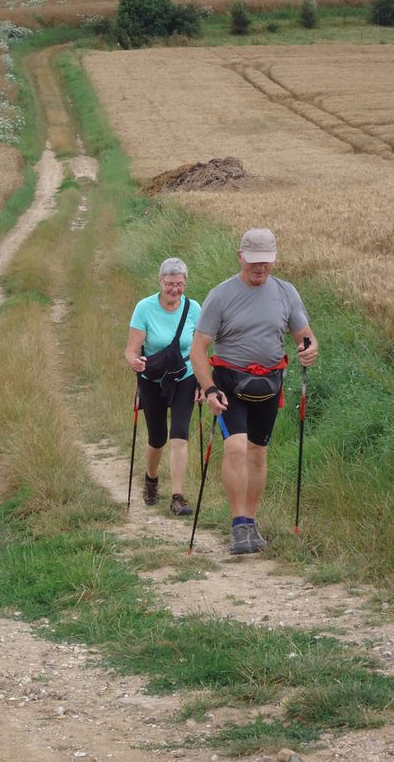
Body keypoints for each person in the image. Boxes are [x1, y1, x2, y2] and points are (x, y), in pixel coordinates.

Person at [190, 228, 318, 554]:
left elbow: (305, 335)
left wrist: (308, 349)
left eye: (266, 262)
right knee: (236, 448)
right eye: (253, 262)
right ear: (240, 257)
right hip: (228, 384)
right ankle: (238, 525)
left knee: (258, 453)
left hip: (269, 386)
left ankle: (251, 520)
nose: (260, 269)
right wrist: (209, 389)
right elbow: (198, 349)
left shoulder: (286, 292)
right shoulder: (220, 295)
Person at [125, 258, 203, 516]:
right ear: (160, 282)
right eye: (170, 284)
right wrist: (134, 362)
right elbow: (131, 350)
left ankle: (178, 497)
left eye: (179, 284)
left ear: (185, 283)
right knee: (157, 438)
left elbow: (200, 349)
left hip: (185, 376)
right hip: (152, 379)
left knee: (180, 435)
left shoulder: (194, 309)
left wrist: (204, 382)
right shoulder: (144, 308)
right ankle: (151, 479)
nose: (175, 290)